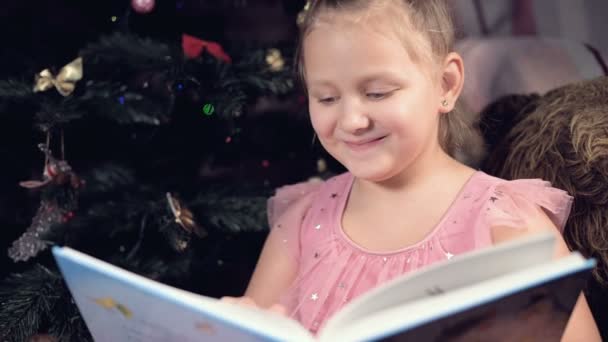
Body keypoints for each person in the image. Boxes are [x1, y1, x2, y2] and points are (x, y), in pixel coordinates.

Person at [222, 0, 600, 339]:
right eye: (327, 98)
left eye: (377, 93)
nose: (352, 120)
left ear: (445, 84)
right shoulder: (303, 221)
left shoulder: (506, 219)